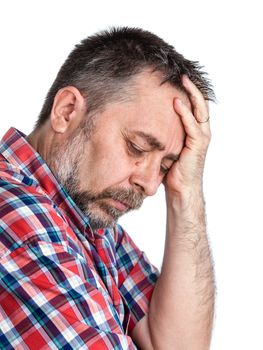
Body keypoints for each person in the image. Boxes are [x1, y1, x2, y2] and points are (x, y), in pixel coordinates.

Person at [0, 27, 215, 349]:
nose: (151, 184)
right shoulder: (19, 220)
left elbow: (172, 344)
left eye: (166, 165)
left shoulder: (88, 219)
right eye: (137, 148)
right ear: (67, 111)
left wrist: (186, 192)